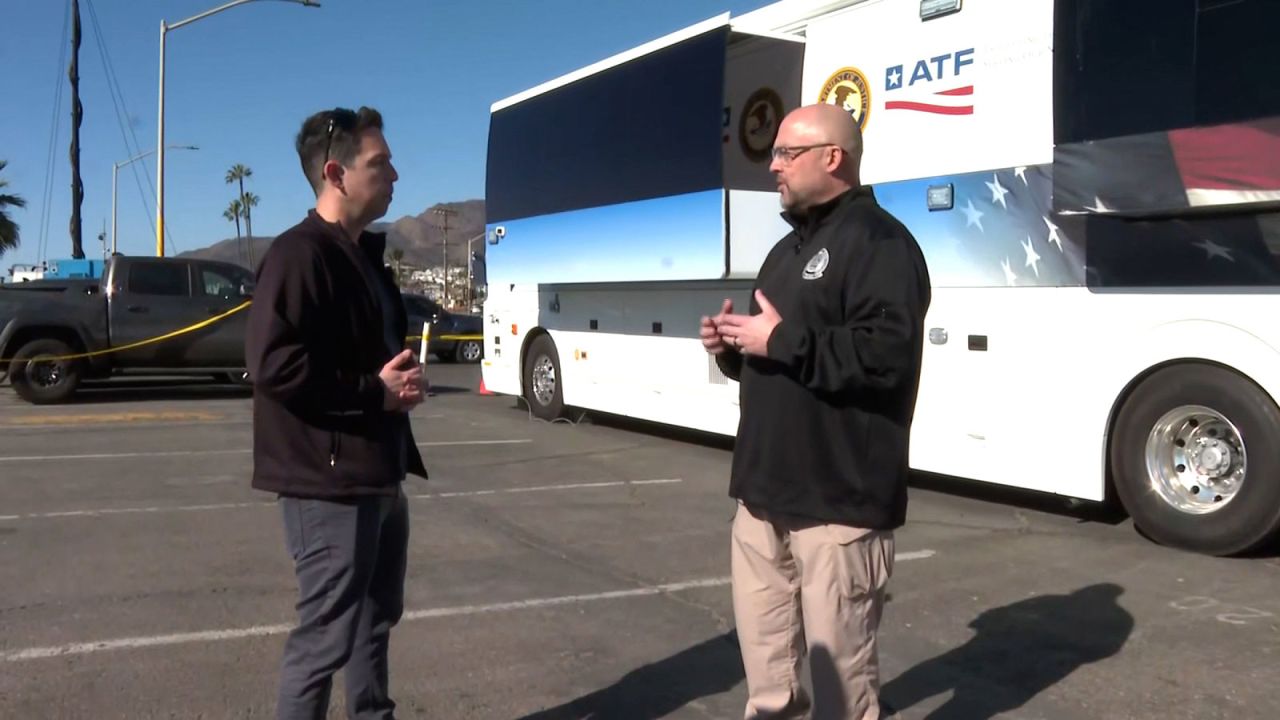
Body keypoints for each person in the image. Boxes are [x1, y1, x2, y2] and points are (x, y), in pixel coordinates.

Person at [701, 104, 931, 720]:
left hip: (837, 504)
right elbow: (775, 358)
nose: (772, 167)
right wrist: (734, 349)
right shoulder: (784, 253)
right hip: (762, 499)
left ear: (834, 157)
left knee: (842, 695)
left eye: (786, 153)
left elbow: (886, 355)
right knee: (769, 686)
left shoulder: (880, 243)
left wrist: (779, 340)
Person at [246, 106, 428, 720]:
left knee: (373, 621)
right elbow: (273, 365)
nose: (395, 173)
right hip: (326, 485)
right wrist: (371, 390)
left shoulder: (362, 258)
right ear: (335, 173)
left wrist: (394, 386)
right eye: (379, 163)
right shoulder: (299, 256)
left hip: (378, 474)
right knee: (323, 641)